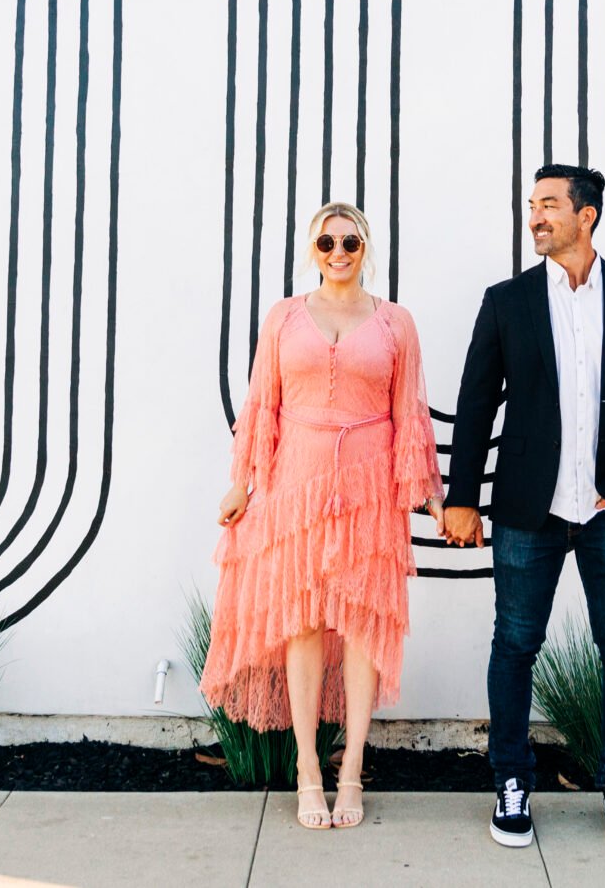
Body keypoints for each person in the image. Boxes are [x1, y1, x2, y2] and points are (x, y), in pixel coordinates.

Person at [441, 164, 605, 850]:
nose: (536, 216)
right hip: (528, 508)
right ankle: (512, 781)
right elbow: (478, 404)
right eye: (531, 204)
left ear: (588, 215)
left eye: (550, 204)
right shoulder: (507, 301)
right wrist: (462, 498)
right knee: (515, 645)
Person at [200, 202, 445, 830]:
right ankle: (309, 768)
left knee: (363, 628)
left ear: (366, 247)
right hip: (296, 486)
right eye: (327, 241)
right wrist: (241, 483)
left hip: (367, 490)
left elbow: (409, 412)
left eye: (351, 241)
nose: (339, 252)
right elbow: (263, 403)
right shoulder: (283, 317)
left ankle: (352, 770)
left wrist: (430, 495)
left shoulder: (396, 323)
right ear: (313, 248)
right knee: (303, 622)